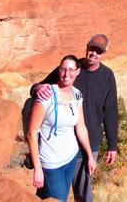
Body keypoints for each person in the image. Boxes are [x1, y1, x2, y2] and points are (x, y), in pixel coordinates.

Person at [32, 34, 118, 202]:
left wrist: (112, 145)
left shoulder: (107, 76)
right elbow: (39, 86)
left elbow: (111, 112)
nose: (93, 53)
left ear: (103, 54)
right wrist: (38, 88)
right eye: (92, 48)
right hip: (60, 145)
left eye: (98, 51)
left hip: (89, 143)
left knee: (83, 193)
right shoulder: (71, 69)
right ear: (87, 47)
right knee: (53, 194)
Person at [27, 55, 96, 201]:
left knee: (56, 197)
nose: (67, 74)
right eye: (63, 69)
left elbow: (81, 128)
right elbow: (32, 133)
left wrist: (90, 156)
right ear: (59, 70)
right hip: (51, 164)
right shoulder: (47, 95)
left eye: (71, 70)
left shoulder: (77, 95)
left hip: (70, 158)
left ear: (77, 71)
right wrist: (38, 169)